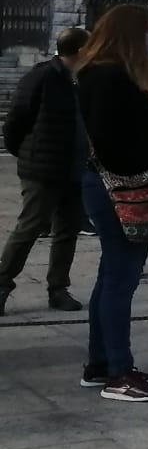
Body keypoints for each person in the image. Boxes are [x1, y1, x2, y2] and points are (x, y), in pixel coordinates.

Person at [73, 4, 148, 402]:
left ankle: (102, 362)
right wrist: (147, 173)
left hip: (107, 184)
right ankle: (118, 372)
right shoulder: (111, 77)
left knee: (110, 275)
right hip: (120, 187)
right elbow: (115, 140)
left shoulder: (102, 73)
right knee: (120, 279)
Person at [0, 25, 88, 315]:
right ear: (79, 51)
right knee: (30, 226)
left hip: (75, 168)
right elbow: (15, 121)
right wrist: (28, 155)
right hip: (43, 168)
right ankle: (2, 282)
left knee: (67, 230)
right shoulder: (42, 76)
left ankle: (58, 287)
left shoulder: (82, 80)